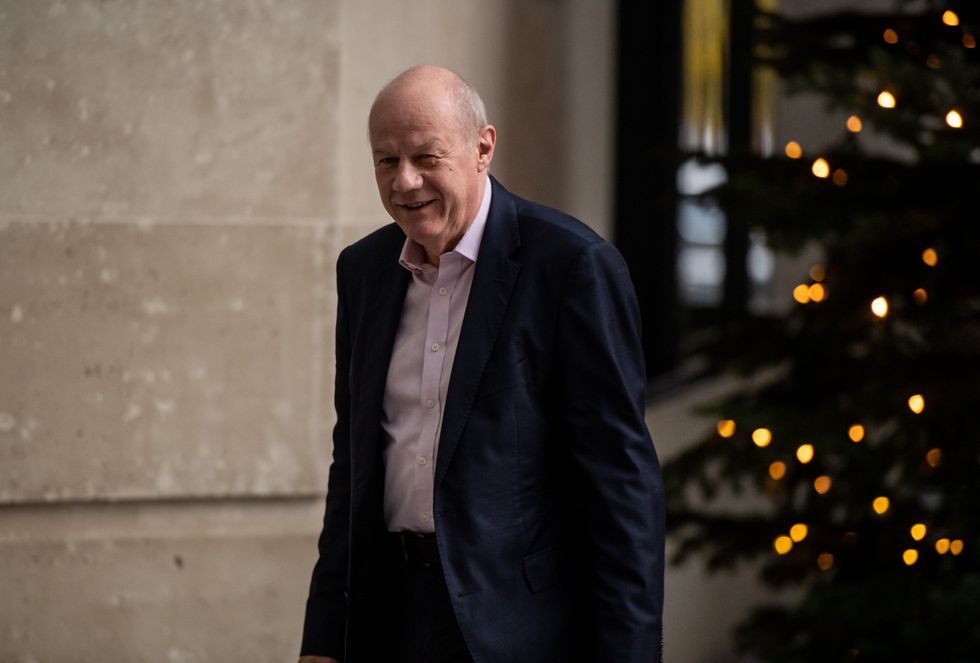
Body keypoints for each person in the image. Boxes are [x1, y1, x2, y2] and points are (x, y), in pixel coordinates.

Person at [299, 65, 664, 663]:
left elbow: (621, 489)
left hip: (519, 629)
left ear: (483, 148)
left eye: (426, 156)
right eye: (386, 161)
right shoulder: (363, 271)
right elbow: (354, 470)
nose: (405, 182)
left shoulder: (572, 266)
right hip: (385, 616)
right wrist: (323, 638)